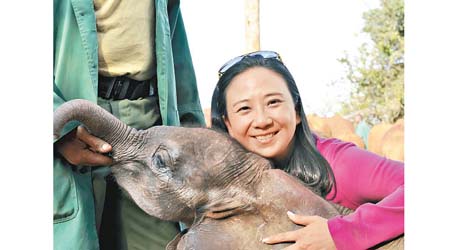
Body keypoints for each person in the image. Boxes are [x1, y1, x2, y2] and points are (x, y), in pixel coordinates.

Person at [210, 51, 404, 249]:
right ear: (228, 124)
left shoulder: (336, 163)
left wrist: (343, 233)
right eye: (244, 109)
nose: (262, 121)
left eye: (273, 102)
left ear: (296, 112)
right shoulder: (221, 185)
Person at [53, 1, 205, 249]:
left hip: (149, 130)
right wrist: (58, 130)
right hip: (73, 124)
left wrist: (192, 135)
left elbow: (177, 55)